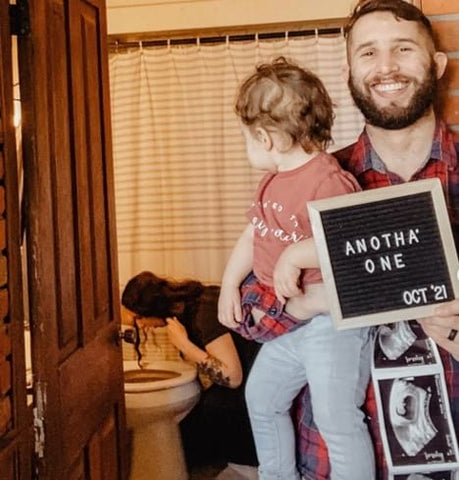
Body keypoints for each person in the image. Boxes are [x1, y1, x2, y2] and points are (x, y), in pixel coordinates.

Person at [294, 1, 459, 479]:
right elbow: (251, 313)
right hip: (341, 459)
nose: (385, 67)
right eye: (368, 53)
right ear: (348, 72)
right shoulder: (314, 181)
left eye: (403, 49)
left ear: (437, 64)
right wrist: (310, 299)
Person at [218, 57, 375, 480]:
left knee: (336, 418)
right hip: (287, 323)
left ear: (267, 137)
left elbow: (351, 240)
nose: (246, 145)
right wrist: (229, 284)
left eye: (246, 137)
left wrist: (295, 256)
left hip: (331, 326)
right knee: (261, 398)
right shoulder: (271, 182)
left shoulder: (328, 180)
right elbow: (254, 235)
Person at [121, 271, 261, 469]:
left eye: (138, 319)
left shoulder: (203, 312)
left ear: (152, 308)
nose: (141, 326)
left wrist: (185, 345)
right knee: (187, 434)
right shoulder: (190, 306)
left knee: (204, 421)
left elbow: (233, 377)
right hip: (252, 377)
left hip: (256, 385)